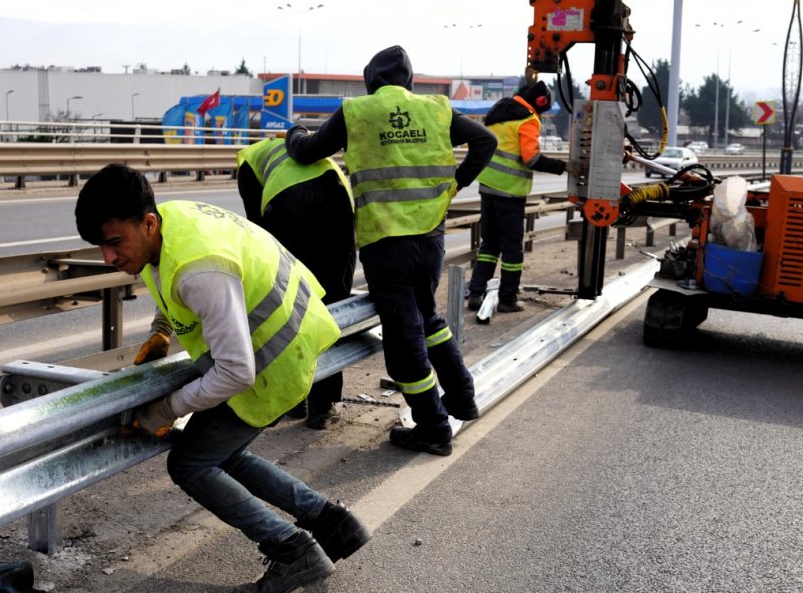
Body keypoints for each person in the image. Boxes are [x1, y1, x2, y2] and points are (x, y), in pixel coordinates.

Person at [75, 164, 370, 593]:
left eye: (115, 242)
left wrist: (166, 408)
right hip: (284, 337)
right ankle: (333, 523)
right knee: (222, 453)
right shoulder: (169, 223)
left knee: (190, 464)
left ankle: (293, 551)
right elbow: (168, 277)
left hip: (273, 358)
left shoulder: (199, 270)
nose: (108, 257)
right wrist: (162, 329)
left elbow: (235, 371)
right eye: (100, 246)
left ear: (148, 223)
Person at [285, 45, 498, 456]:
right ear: (409, 80)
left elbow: (308, 151)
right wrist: (457, 183)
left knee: (403, 341)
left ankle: (433, 427)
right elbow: (485, 140)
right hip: (430, 236)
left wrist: (294, 134)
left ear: (371, 81)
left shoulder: (357, 112)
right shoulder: (436, 108)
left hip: (386, 242)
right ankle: (462, 396)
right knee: (428, 317)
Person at [236, 136, 356, 430]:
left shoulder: (248, 160)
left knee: (290, 305)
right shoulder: (300, 148)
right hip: (338, 197)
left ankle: (293, 399)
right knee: (332, 302)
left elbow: (258, 233)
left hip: (288, 203)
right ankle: (323, 407)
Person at [464, 80, 567, 313]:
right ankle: (507, 299)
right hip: (509, 193)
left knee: (489, 244)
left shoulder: (498, 113)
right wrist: (564, 166)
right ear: (540, 103)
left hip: (487, 187)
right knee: (512, 250)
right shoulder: (527, 119)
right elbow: (531, 159)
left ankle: (476, 293)